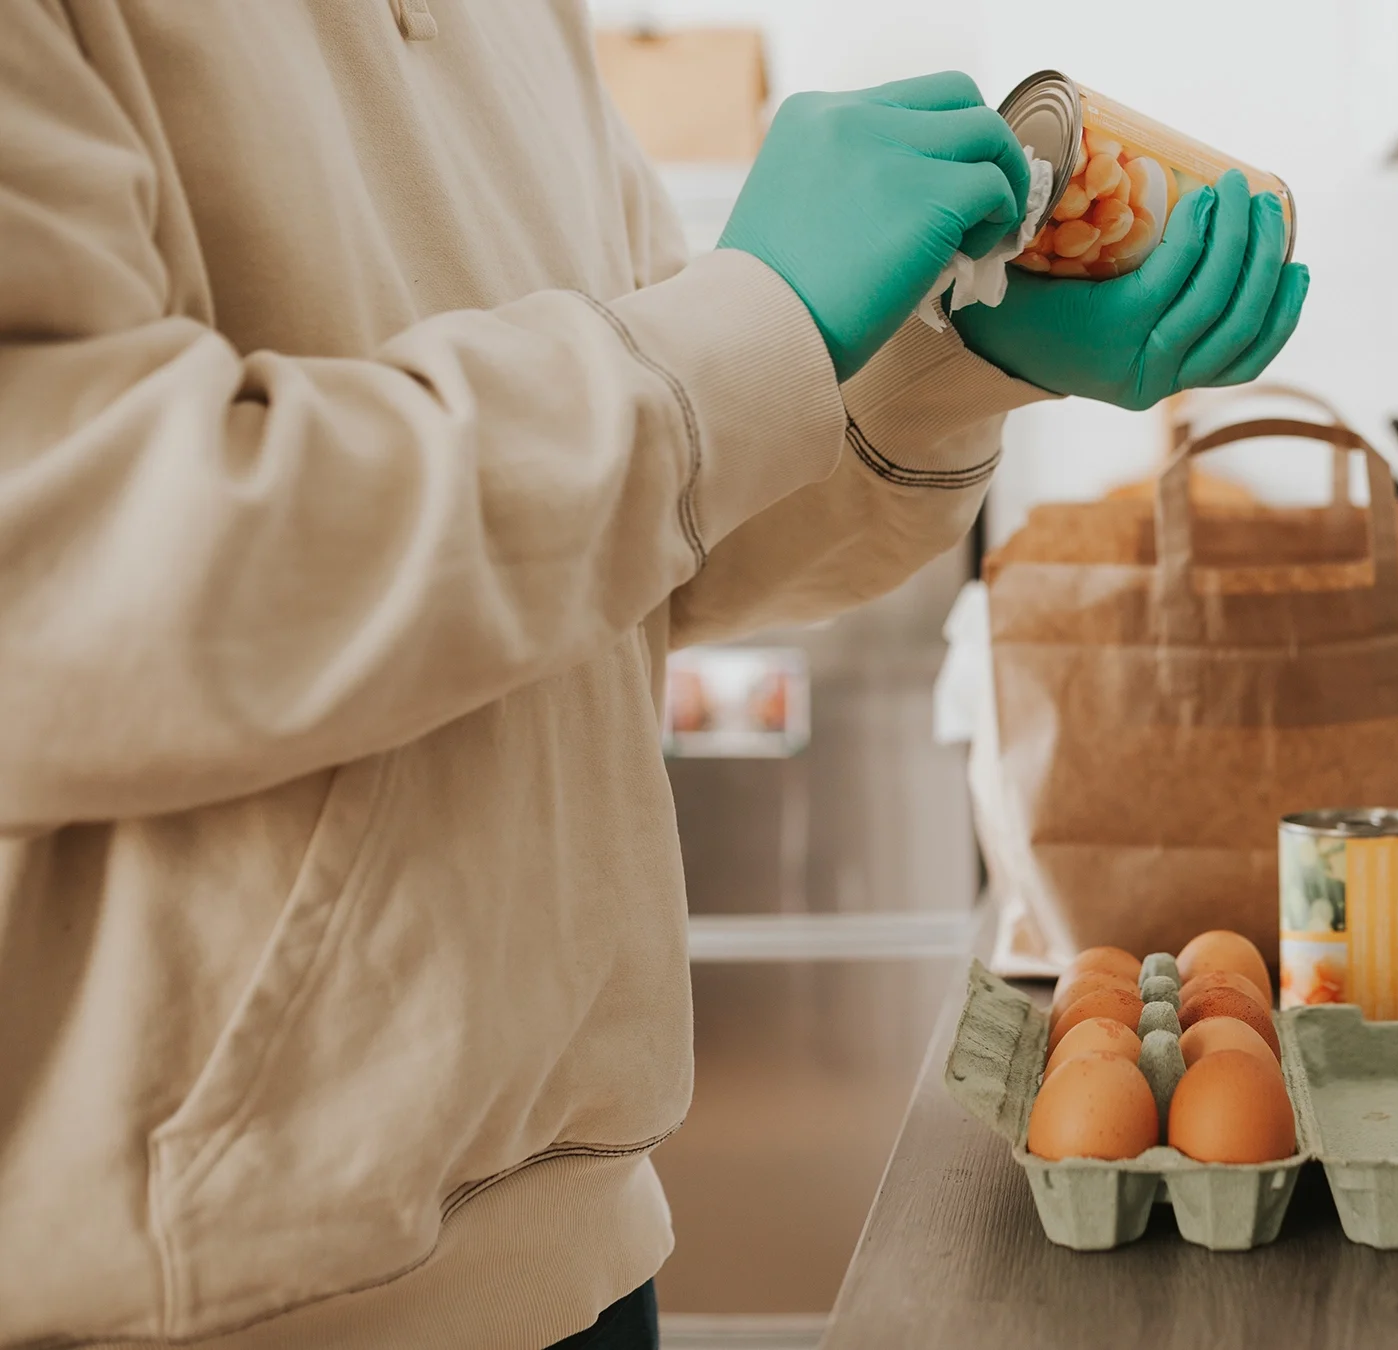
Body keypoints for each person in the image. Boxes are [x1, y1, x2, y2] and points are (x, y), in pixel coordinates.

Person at [0, 6, 1304, 1349]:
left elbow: (648, 524)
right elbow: (68, 583)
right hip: (235, 1303)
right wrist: (742, 327)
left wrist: (949, 366)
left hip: (585, 1235)